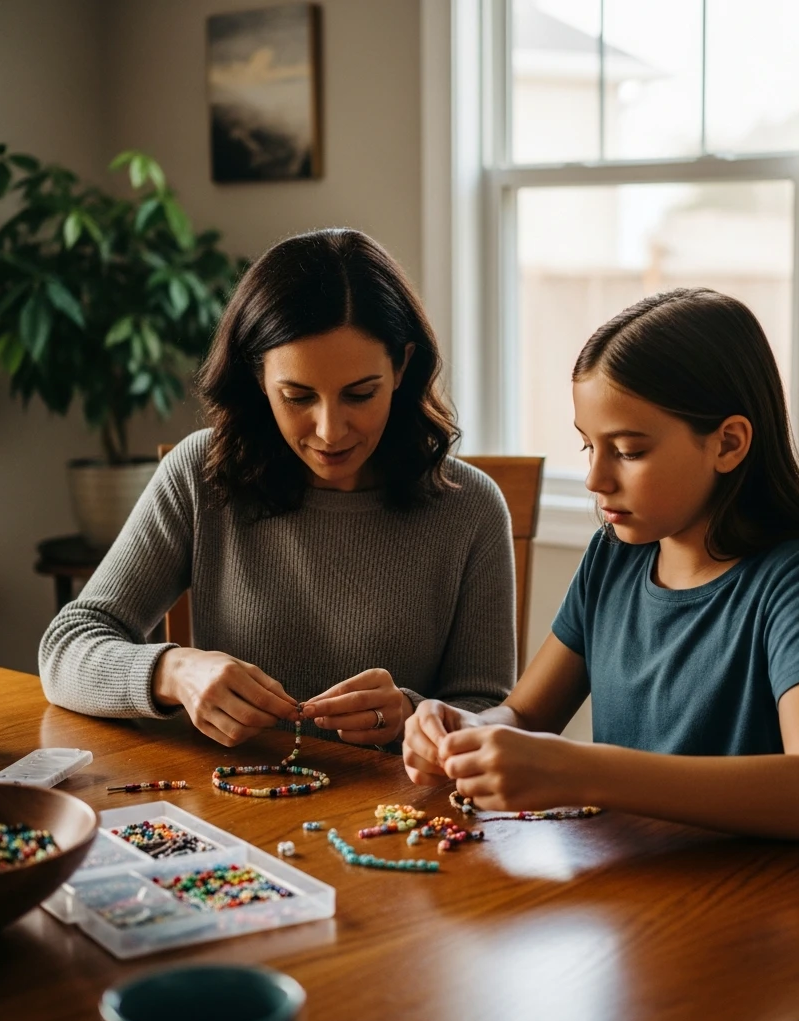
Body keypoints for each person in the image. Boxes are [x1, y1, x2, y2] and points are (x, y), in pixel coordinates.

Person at [403, 287, 799, 843]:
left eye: (628, 451)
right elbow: (526, 716)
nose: (595, 479)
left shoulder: (797, 582)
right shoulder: (614, 556)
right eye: (588, 447)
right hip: (632, 874)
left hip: (750, 886)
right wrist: (469, 730)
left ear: (728, 444)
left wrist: (582, 771)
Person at [40, 229, 516, 748]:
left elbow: (488, 711)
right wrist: (174, 671)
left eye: (360, 394)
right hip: (225, 793)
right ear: (258, 376)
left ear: (401, 366)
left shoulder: (471, 507)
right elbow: (65, 648)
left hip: (396, 799)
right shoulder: (201, 473)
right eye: (298, 396)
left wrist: (410, 714)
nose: (330, 431)